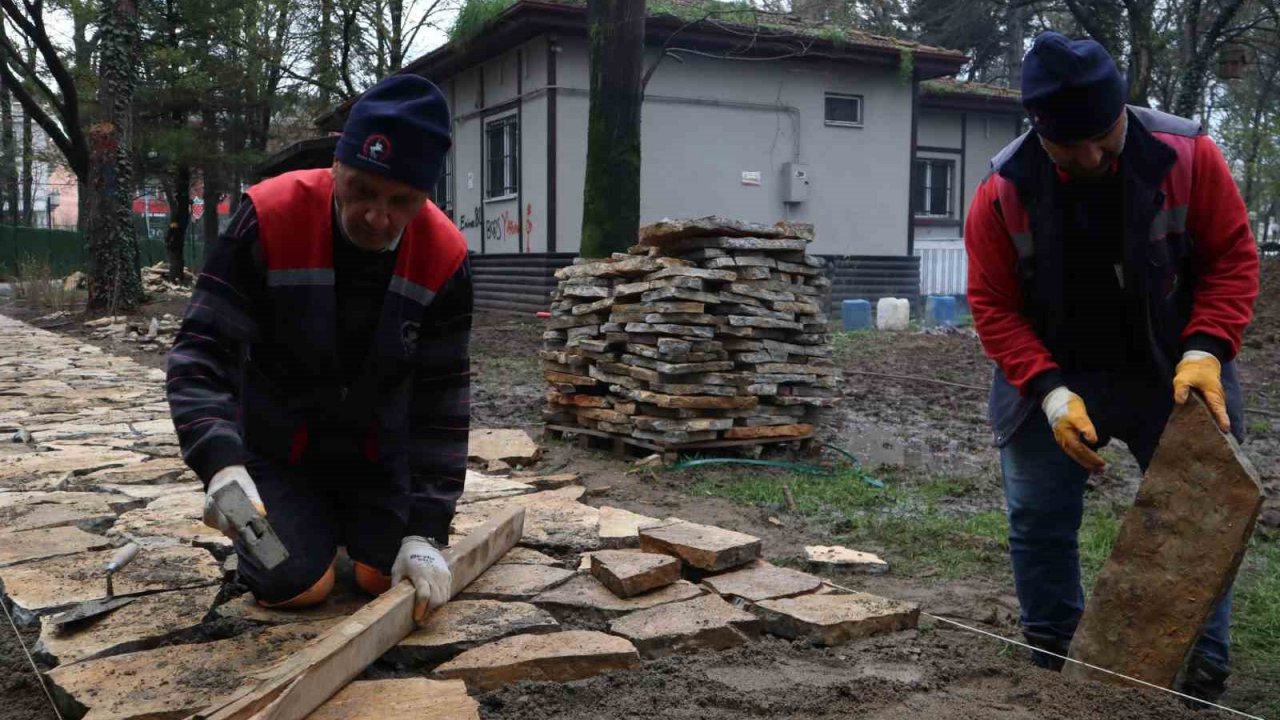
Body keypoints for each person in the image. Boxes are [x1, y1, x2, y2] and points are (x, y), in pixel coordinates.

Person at [965, 32, 1258, 702]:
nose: (1093, 156)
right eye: (1071, 146)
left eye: (1105, 134)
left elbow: (1233, 258)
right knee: (1038, 516)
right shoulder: (1003, 191)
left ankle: (1197, 675)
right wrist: (1047, 394)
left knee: (1203, 510)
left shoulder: (1188, 156)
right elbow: (992, 304)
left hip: (1174, 364)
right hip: (1057, 367)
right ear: (1039, 129)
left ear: (1124, 107)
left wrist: (1207, 348)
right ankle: (1054, 659)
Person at [166, 74, 472, 626]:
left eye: (401, 201)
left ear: (426, 196)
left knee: (391, 579)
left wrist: (427, 528)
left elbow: (442, 401)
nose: (377, 217)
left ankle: (349, 528)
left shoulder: (444, 255)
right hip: (274, 453)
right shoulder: (270, 215)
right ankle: (303, 530)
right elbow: (201, 350)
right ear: (336, 167)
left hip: (378, 458)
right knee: (291, 582)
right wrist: (220, 464)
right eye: (361, 191)